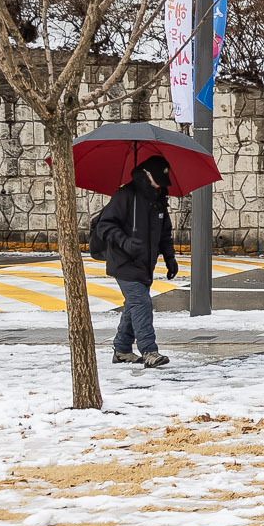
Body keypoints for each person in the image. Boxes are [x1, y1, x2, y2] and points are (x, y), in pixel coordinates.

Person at [89, 154, 179, 368]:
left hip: (145, 264)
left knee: (133, 306)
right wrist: (126, 242)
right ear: (147, 175)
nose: (161, 185)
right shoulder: (125, 195)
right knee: (141, 303)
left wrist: (170, 259)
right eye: (159, 179)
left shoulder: (157, 200)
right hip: (124, 262)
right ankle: (149, 350)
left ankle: (121, 350)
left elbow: (165, 233)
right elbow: (105, 225)